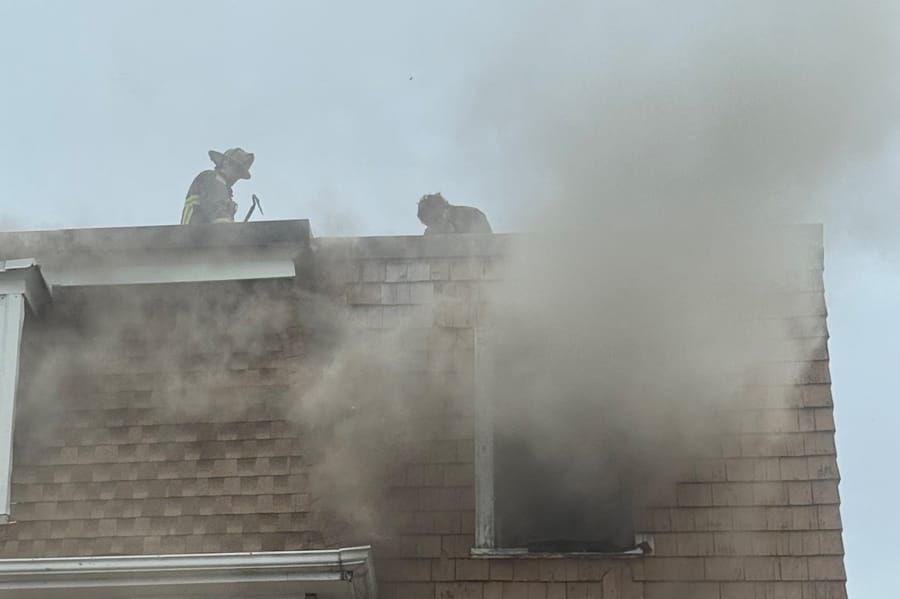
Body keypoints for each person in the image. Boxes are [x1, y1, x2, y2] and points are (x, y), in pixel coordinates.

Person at [180, 148, 254, 224]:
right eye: (237, 169)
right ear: (225, 163)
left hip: (204, 233)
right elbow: (216, 208)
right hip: (194, 233)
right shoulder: (212, 178)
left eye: (240, 173)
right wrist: (224, 219)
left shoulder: (224, 192)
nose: (238, 176)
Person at [417, 192, 492, 235]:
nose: (436, 226)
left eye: (435, 219)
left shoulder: (473, 216)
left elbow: (488, 246)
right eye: (430, 225)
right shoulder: (431, 233)